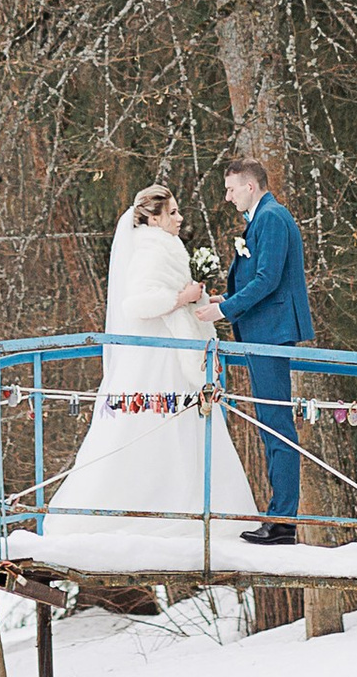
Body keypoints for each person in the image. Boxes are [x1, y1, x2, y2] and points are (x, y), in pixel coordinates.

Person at [42, 185, 258, 530]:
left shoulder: (167, 246)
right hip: (160, 357)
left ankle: (192, 511)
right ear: (153, 218)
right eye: (172, 212)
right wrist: (181, 296)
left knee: (181, 429)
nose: (179, 218)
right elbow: (137, 304)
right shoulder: (149, 250)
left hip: (176, 350)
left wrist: (197, 298)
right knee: (154, 424)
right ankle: (148, 512)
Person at [220, 156, 311, 547]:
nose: (228, 197)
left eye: (231, 188)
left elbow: (268, 279)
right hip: (263, 331)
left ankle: (282, 520)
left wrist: (225, 309)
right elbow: (257, 279)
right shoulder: (263, 218)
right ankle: (279, 517)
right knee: (271, 422)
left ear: (250, 186)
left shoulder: (272, 218)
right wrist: (223, 299)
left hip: (271, 333)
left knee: (277, 424)